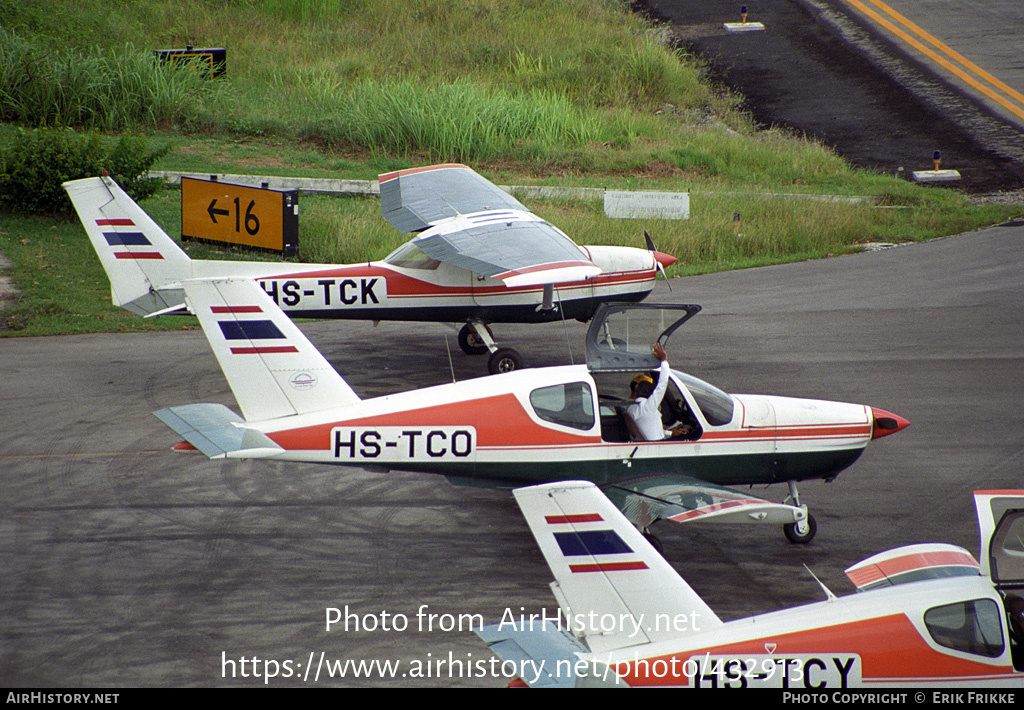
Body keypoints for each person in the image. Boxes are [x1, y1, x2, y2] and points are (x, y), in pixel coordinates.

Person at [626, 343, 694, 441]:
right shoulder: (648, 406)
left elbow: (648, 430)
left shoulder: (631, 408)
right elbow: (662, 384)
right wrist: (664, 360)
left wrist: (671, 433)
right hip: (657, 445)